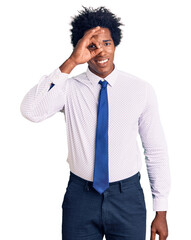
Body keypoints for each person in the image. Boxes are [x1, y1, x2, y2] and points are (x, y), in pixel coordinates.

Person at [20, 6, 171, 240]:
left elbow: (155, 150)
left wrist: (161, 210)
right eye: (92, 45)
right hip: (80, 197)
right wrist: (70, 62)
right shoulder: (67, 89)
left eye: (107, 43)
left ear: (115, 44)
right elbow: (30, 110)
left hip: (127, 197)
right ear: (81, 48)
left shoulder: (140, 90)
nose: (101, 52)